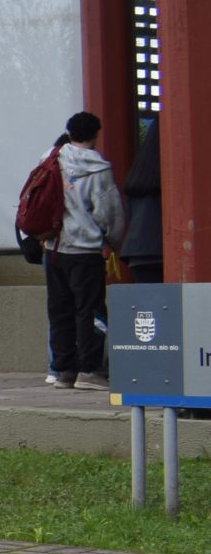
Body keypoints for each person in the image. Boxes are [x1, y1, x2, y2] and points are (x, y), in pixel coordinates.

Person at [42, 110, 125, 388]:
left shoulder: (50, 159)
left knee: (60, 310)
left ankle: (63, 371)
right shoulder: (98, 168)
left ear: (70, 132)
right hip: (86, 250)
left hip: (54, 247)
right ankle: (90, 370)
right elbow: (108, 212)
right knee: (90, 310)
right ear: (95, 134)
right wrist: (111, 241)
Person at [123, 115, 162, 285]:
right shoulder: (167, 176)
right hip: (160, 250)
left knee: (150, 301)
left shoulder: (137, 175)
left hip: (137, 252)